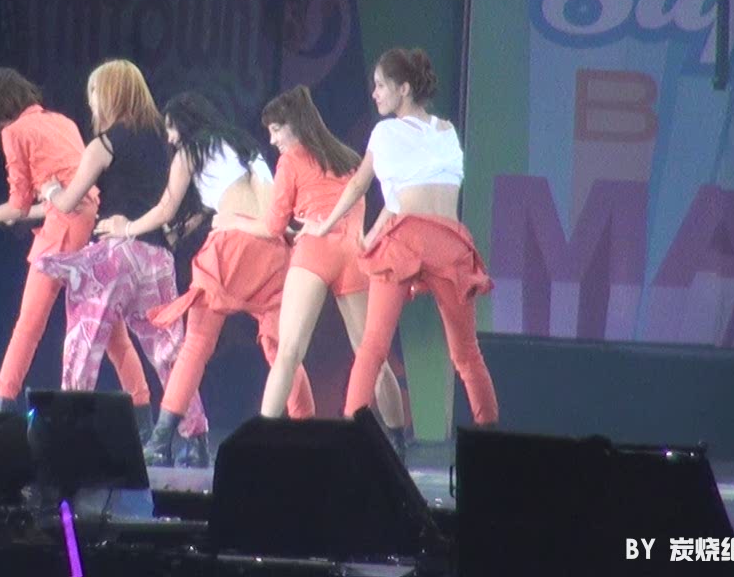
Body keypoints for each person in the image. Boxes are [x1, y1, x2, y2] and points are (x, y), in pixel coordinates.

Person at [95, 92, 315, 466]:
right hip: (273, 253)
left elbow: (166, 207)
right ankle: (310, 434)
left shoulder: (191, 151)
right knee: (283, 350)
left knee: (195, 344)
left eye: (170, 129)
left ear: (185, 123)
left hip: (229, 252)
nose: (169, 138)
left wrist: (126, 228)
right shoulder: (247, 146)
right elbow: (268, 210)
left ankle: (161, 440)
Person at [303, 48, 498, 426]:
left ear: (404, 89)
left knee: (373, 346)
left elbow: (359, 185)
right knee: (467, 355)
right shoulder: (447, 131)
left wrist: (324, 226)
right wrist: (372, 237)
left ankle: (351, 433)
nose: (374, 93)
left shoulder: (385, 132)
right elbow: (406, 195)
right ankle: (489, 436)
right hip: (451, 243)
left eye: (380, 86)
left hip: (407, 240)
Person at [214, 85, 407, 453]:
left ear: (296, 125)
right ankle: (398, 444)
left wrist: (234, 221)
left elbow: (273, 226)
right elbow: (370, 208)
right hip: (353, 255)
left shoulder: (290, 162)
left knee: (288, 353)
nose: (272, 140)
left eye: (276, 130)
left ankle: (259, 443)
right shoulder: (350, 158)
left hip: (314, 253)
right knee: (373, 358)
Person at [0, 67, 152, 424]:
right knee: (111, 331)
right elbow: (64, 197)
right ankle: (143, 416)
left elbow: (19, 206)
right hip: (86, 225)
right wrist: (23, 209)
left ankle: (0, 407)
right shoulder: (63, 122)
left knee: (28, 326)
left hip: (62, 233)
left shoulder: (15, 132)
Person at [37, 60, 208, 461]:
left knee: (83, 344)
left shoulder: (105, 143)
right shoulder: (166, 142)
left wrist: (49, 190)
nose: (91, 101)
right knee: (169, 353)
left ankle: (67, 437)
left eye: (94, 92)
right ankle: (195, 441)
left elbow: (69, 201)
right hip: (157, 257)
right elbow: (194, 204)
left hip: (116, 255)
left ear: (110, 94)